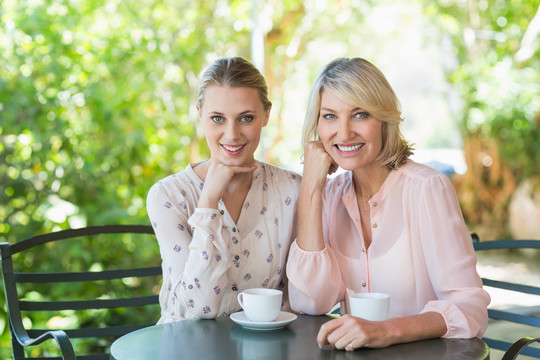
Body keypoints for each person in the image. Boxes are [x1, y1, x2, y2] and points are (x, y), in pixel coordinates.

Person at [286, 57, 490, 351]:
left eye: (360, 114)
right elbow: (310, 302)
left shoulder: (426, 189)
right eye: (330, 116)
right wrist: (311, 188)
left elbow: (470, 307)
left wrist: (385, 331)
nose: (343, 133)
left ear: (384, 118)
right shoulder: (330, 196)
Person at [147, 57, 301, 323]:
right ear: (200, 114)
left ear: (266, 115)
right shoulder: (168, 196)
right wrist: (208, 200)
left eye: (246, 118)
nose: (231, 134)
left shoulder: (291, 190)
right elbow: (200, 307)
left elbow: (300, 299)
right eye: (217, 118)